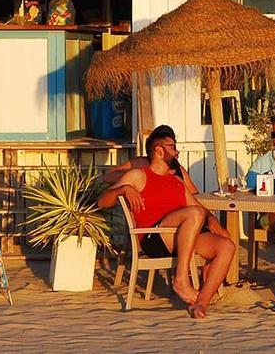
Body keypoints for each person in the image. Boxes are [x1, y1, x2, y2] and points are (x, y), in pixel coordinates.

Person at [97, 128, 235, 319]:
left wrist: (213, 221)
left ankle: (201, 304)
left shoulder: (177, 180)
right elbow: (102, 202)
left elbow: (199, 207)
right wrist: (124, 189)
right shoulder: (138, 175)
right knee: (194, 214)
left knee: (227, 246)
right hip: (154, 237)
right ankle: (181, 279)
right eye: (173, 147)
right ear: (159, 150)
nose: (177, 151)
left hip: (180, 237)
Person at [102, 125, 199, 192]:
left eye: (174, 146)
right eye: (171, 147)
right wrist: (136, 177)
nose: (177, 151)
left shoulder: (179, 170)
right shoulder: (142, 164)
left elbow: (195, 194)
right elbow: (108, 176)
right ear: (158, 150)